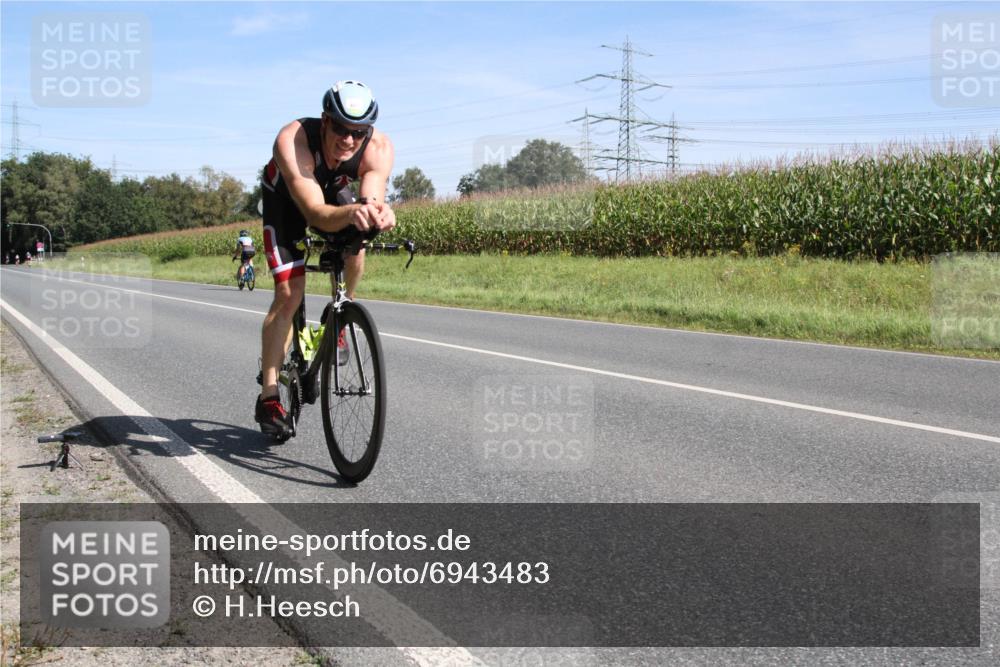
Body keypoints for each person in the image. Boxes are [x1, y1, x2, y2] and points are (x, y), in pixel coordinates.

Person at [255, 80, 396, 437]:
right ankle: (269, 394)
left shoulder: (377, 148)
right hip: (288, 200)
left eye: (358, 132)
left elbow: (370, 199)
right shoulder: (294, 139)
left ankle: (342, 315)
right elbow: (316, 212)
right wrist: (350, 214)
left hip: (331, 192)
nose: (348, 140)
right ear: (325, 120)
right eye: (341, 129)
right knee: (290, 292)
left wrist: (378, 214)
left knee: (357, 240)